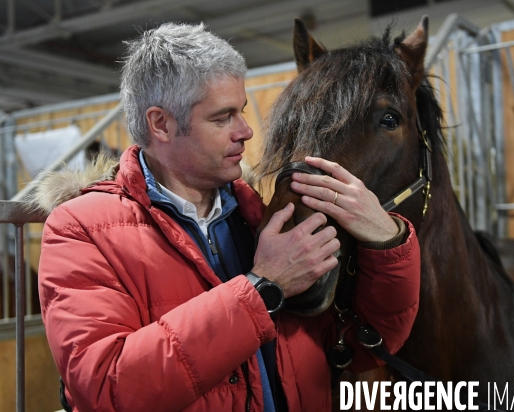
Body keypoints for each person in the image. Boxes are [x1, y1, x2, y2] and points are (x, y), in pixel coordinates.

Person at [35, 22, 421, 411]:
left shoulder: (259, 215)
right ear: (161, 124)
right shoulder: (80, 230)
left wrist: (385, 240)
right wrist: (263, 287)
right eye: (222, 118)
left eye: (242, 112)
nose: (247, 131)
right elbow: (108, 389)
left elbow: (366, 344)